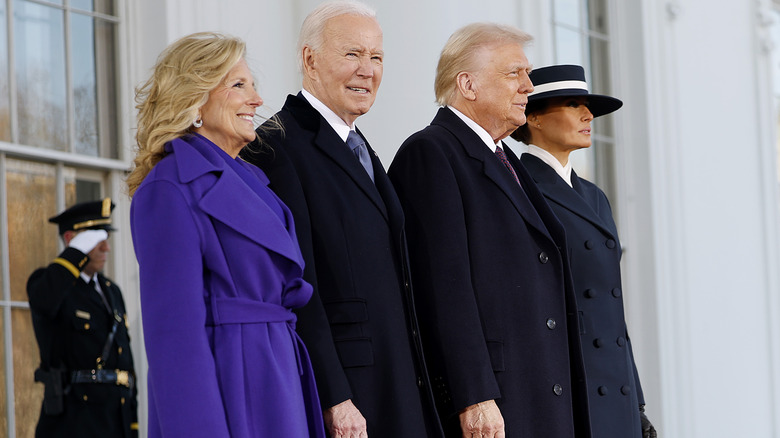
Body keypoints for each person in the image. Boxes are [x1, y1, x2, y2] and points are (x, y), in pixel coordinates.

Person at [241, 2, 441, 437]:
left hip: (399, 380)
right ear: (310, 59)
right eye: (352, 54)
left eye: (377, 57)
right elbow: (296, 282)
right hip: (350, 395)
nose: (367, 70)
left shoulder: (361, 145)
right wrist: (333, 395)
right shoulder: (275, 145)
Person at [387, 23, 591, 437]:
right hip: (495, 402)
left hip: (541, 391)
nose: (528, 86)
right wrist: (473, 395)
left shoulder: (505, 158)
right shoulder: (431, 152)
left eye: (527, 74)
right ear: (468, 84)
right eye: (514, 73)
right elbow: (443, 288)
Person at [127, 32, 325, 437]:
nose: (257, 99)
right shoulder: (170, 188)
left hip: (278, 378)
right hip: (231, 387)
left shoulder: (255, 182)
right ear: (195, 100)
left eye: (253, 85)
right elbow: (174, 340)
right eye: (239, 85)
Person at [510, 64, 657, 438]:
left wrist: (637, 403)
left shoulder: (594, 196)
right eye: (573, 104)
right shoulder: (519, 189)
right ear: (534, 117)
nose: (588, 115)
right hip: (567, 388)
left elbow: (611, 310)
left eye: (587, 106)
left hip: (615, 390)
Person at [27, 198, 138, 437]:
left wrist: (132, 422)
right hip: (75, 421)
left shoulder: (111, 291)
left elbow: (125, 362)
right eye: (97, 240)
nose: (106, 248)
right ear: (71, 240)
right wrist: (74, 254)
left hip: (116, 420)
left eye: (106, 239)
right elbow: (43, 302)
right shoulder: (50, 283)